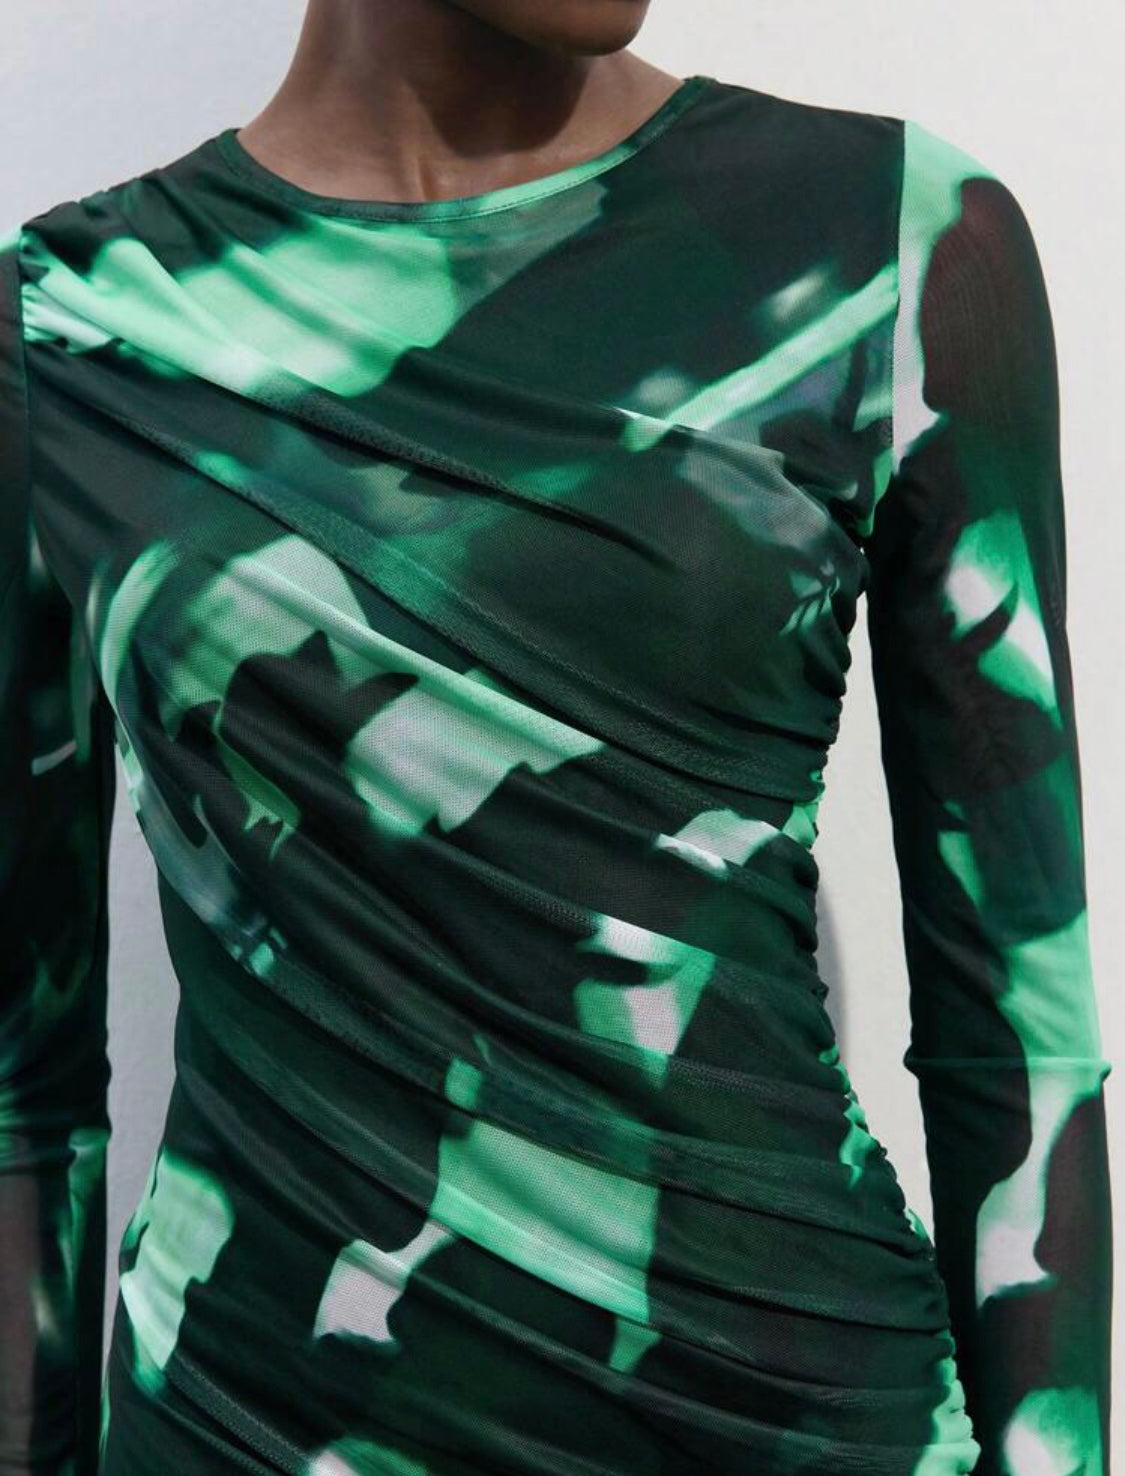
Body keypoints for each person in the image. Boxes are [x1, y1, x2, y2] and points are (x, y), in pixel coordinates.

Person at [0, 1, 1113, 1472]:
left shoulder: (890, 244)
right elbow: (24, 1083)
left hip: (777, 1422)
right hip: (256, 1425)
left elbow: (1015, 1027)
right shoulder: (72, 332)